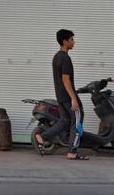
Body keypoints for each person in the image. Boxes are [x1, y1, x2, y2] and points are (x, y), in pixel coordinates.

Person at [34, 29, 88, 160]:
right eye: (71, 39)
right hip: (68, 97)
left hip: (61, 97)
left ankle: (43, 136)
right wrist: (74, 99)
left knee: (65, 121)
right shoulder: (65, 58)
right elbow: (65, 79)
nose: (74, 42)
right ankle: (72, 151)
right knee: (77, 122)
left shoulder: (56, 57)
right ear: (65, 41)